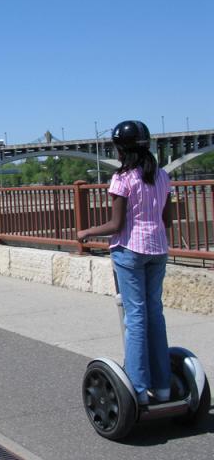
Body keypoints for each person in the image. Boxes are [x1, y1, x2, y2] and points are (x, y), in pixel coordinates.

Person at [77, 120, 172, 406]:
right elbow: (166, 221)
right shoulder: (164, 176)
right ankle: (164, 387)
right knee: (155, 314)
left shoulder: (123, 179)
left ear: (121, 148)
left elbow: (116, 225)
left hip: (130, 251)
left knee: (136, 318)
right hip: (158, 250)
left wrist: (87, 232)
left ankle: (139, 390)